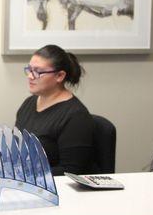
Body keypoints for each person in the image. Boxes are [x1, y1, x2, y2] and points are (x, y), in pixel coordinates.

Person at [15, 44, 94, 175]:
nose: (30, 76)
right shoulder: (29, 103)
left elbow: (72, 171)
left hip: (56, 190)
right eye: (29, 69)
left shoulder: (76, 116)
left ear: (59, 76)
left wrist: (27, 174)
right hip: (26, 184)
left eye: (38, 72)